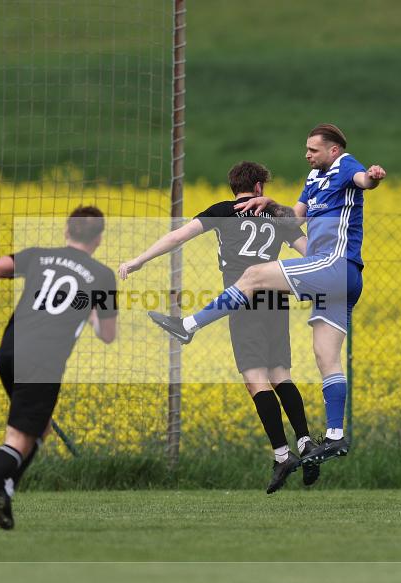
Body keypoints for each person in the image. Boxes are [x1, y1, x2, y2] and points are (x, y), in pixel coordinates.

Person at [148, 124, 386, 466]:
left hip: (334, 265)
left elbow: (364, 181)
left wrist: (374, 177)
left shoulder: (346, 165)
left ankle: (188, 325)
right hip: (338, 279)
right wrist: (272, 203)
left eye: (313, 150)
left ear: (333, 150)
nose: (307, 154)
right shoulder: (312, 180)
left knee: (254, 275)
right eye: (306, 149)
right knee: (325, 357)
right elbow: (296, 219)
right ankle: (335, 437)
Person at [121, 161, 319, 493]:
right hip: (275, 301)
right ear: (258, 188)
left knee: (255, 379)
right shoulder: (274, 215)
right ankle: (305, 442)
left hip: (240, 301)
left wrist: (140, 260)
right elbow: (310, 252)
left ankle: (283, 455)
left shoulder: (223, 211)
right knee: (280, 373)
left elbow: (178, 236)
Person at [0, 206, 118, 531]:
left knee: (40, 429)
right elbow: (108, 336)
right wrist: (94, 313)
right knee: (18, 440)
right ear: (98, 238)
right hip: (42, 360)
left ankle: (6, 489)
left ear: (67, 232)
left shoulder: (39, 256)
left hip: (10, 351)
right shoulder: (101, 275)